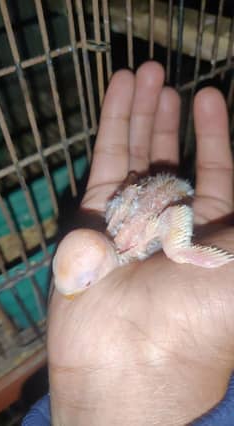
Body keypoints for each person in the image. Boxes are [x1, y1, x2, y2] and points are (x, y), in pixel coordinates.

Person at [23, 61, 234, 425]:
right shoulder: (108, 232)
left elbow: (175, 213)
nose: (71, 296)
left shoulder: (127, 240)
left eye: (81, 286)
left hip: (171, 197)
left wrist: (179, 249)